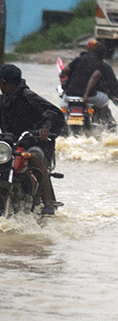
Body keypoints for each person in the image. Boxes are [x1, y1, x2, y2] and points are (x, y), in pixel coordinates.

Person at [0, 64, 65, 216]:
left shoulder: (28, 97)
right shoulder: (3, 101)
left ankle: (48, 204)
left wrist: (45, 129)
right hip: (9, 145)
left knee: (34, 157)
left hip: (34, 142)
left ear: (5, 82)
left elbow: (54, 113)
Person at [59, 42, 110, 122]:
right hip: (88, 96)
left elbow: (65, 70)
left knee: (63, 103)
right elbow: (94, 77)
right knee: (105, 100)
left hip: (70, 94)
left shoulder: (79, 59)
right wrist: (86, 94)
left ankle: (61, 122)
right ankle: (101, 122)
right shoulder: (100, 64)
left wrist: (62, 75)